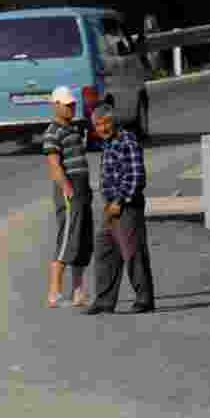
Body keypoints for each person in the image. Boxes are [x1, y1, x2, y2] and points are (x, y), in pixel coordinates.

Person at [83, 104, 156, 315]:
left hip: (126, 206)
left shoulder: (127, 140)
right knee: (105, 250)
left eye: (106, 123)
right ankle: (105, 300)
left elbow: (135, 175)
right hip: (110, 207)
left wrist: (120, 201)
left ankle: (144, 300)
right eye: (98, 124)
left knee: (133, 252)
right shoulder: (108, 143)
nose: (102, 128)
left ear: (113, 121)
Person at [42, 86, 94, 308]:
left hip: (83, 189)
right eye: (67, 104)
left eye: (73, 104)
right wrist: (67, 188)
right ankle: (54, 292)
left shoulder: (73, 129)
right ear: (55, 105)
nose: (72, 107)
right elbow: (54, 166)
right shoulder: (53, 132)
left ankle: (78, 292)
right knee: (67, 238)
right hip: (69, 191)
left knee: (82, 239)